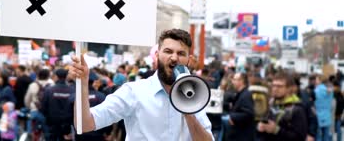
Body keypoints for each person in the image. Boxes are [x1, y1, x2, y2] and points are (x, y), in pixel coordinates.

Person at [69, 29, 213, 140]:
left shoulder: (195, 97)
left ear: (189, 60)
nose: (174, 58)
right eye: (168, 51)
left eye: (181, 53)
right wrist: (82, 84)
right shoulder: (134, 92)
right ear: (157, 55)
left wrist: (188, 112)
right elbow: (84, 124)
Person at [257, 73, 307, 141]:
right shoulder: (271, 104)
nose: (275, 89)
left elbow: (299, 138)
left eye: (279, 86)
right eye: (273, 86)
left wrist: (277, 130)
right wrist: (260, 128)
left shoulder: (297, 109)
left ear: (289, 88)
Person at [41, 68, 73, 140]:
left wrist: (48, 118)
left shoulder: (49, 90)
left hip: (52, 123)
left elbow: (43, 107)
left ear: (56, 77)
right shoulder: (72, 90)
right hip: (67, 124)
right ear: (66, 76)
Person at [224, 72, 255, 141]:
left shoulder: (246, 95)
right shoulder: (241, 94)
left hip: (242, 136)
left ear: (241, 81)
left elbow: (249, 113)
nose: (232, 81)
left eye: (235, 79)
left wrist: (232, 117)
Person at [314, 75, 333, 141]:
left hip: (318, 115)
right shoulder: (330, 91)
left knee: (318, 136)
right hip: (327, 115)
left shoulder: (316, 90)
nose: (315, 81)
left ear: (320, 80)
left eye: (316, 79)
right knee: (326, 136)